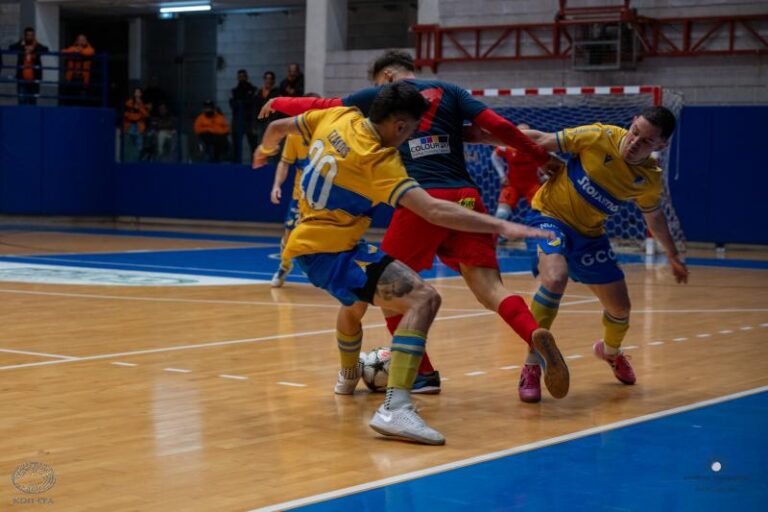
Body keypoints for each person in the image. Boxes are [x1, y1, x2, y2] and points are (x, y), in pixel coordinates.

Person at [252, 82, 555, 445]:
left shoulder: (338, 115)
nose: (413, 136)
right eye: (412, 129)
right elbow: (433, 209)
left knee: (357, 304)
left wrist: (264, 151)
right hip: (329, 252)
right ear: (399, 126)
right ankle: (396, 408)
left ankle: (349, 377)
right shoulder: (379, 160)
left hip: (327, 242)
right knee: (423, 299)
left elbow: (276, 128)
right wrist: (503, 225)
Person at [516, 107, 689, 400]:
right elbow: (542, 139)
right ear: (632, 123)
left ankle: (610, 353)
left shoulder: (648, 179)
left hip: (590, 237)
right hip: (549, 217)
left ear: (661, 145)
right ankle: (532, 364)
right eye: (635, 132)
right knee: (555, 279)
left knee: (620, 309)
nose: (635, 142)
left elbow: (654, 217)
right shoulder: (598, 136)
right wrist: (487, 133)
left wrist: (672, 255)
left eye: (646, 141)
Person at [491, 123, 546, 243]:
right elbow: (494, 157)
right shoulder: (507, 146)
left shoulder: (536, 146)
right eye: (520, 132)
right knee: (501, 214)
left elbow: (550, 157)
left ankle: (541, 236)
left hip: (532, 185)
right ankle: (499, 237)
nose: (522, 135)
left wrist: (545, 175)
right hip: (512, 185)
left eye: (526, 133)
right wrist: (501, 175)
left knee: (542, 212)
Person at [267, 132, 307, 287]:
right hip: (300, 196)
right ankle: (284, 266)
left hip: (323, 196)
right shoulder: (295, 135)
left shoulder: (331, 133)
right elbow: (284, 163)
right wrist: (276, 186)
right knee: (289, 234)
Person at [8, 27, 49, 105]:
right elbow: (11, 48)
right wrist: (22, 46)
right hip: (22, 78)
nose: (30, 37)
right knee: (22, 100)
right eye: (28, 35)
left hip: (34, 78)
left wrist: (33, 49)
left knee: (33, 101)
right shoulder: (21, 45)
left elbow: (46, 49)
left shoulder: (37, 45)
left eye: (31, 35)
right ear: (25, 36)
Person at [229, 69, 257, 163]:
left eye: (243, 76)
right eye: (240, 77)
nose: (241, 78)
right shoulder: (234, 91)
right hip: (238, 120)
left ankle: (255, 163)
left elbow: (252, 103)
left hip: (249, 120)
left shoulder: (253, 89)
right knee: (236, 144)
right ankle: (235, 163)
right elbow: (233, 104)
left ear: (247, 77)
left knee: (253, 143)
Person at [61, 34, 95, 106]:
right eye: (80, 40)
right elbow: (63, 51)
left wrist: (80, 51)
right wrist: (75, 50)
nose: (81, 42)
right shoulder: (73, 48)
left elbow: (91, 52)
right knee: (69, 100)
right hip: (71, 78)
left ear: (86, 41)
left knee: (82, 101)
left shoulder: (89, 48)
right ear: (77, 41)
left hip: (83, 79)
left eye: (83, 40)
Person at [253, 71, 280, 148]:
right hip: (261, 121)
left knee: (273, 142)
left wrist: (275, 120)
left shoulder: (277, 92)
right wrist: (254, 123)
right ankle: (262, 159)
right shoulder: (259, 92)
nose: (268, 80)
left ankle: (273, 160)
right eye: (267, 78)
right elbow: (255, 109)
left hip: (271, 121)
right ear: (264, 80)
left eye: (270, 79)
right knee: (260, 142)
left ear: (273, 81)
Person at [122, 88, 149, 162]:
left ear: (141, 94)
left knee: (139, 145)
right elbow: (126, 114)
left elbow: (146, 115)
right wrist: (135, 114)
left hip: (139, 127)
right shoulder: (129, 102)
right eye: (136, 92)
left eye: (139, 92)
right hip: (130, 126)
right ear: (134, 94)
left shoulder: (143, 103)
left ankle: (138, 161)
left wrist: (139, 108)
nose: (137, 93)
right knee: (129, 144)